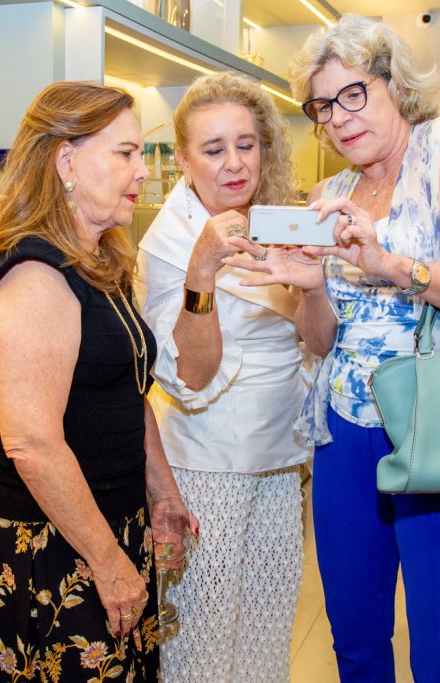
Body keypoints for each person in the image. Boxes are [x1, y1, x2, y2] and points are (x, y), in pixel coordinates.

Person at [227, 15, 440, 682]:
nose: (337, 119)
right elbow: (320, 341)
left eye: (353, 94)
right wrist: (313, 288)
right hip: (345, 435)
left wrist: (390, 263)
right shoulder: (329, 194)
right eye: (321, 106)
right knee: (357, 640)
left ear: (393, 84)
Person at [0, 82, 191, 682]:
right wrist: (109, 561)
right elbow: (33, 444)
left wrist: (162, 493)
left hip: (106, 526)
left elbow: (127, 391)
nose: (143, 171)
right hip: (57, 545)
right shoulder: (35, 274)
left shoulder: (99, 261)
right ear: (65, 160)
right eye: (125, 154)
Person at [135, 71, 309, 682]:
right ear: (183, 160)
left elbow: (314, 342)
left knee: (263, 633)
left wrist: (316, 289)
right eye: (213, 150)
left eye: (246, 143)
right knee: (201, 650)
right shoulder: (168, 241)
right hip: (206, 468)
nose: (235, 163)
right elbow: (193, 377)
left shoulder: (276, 222)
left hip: (279, 459)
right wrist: (202, 271)